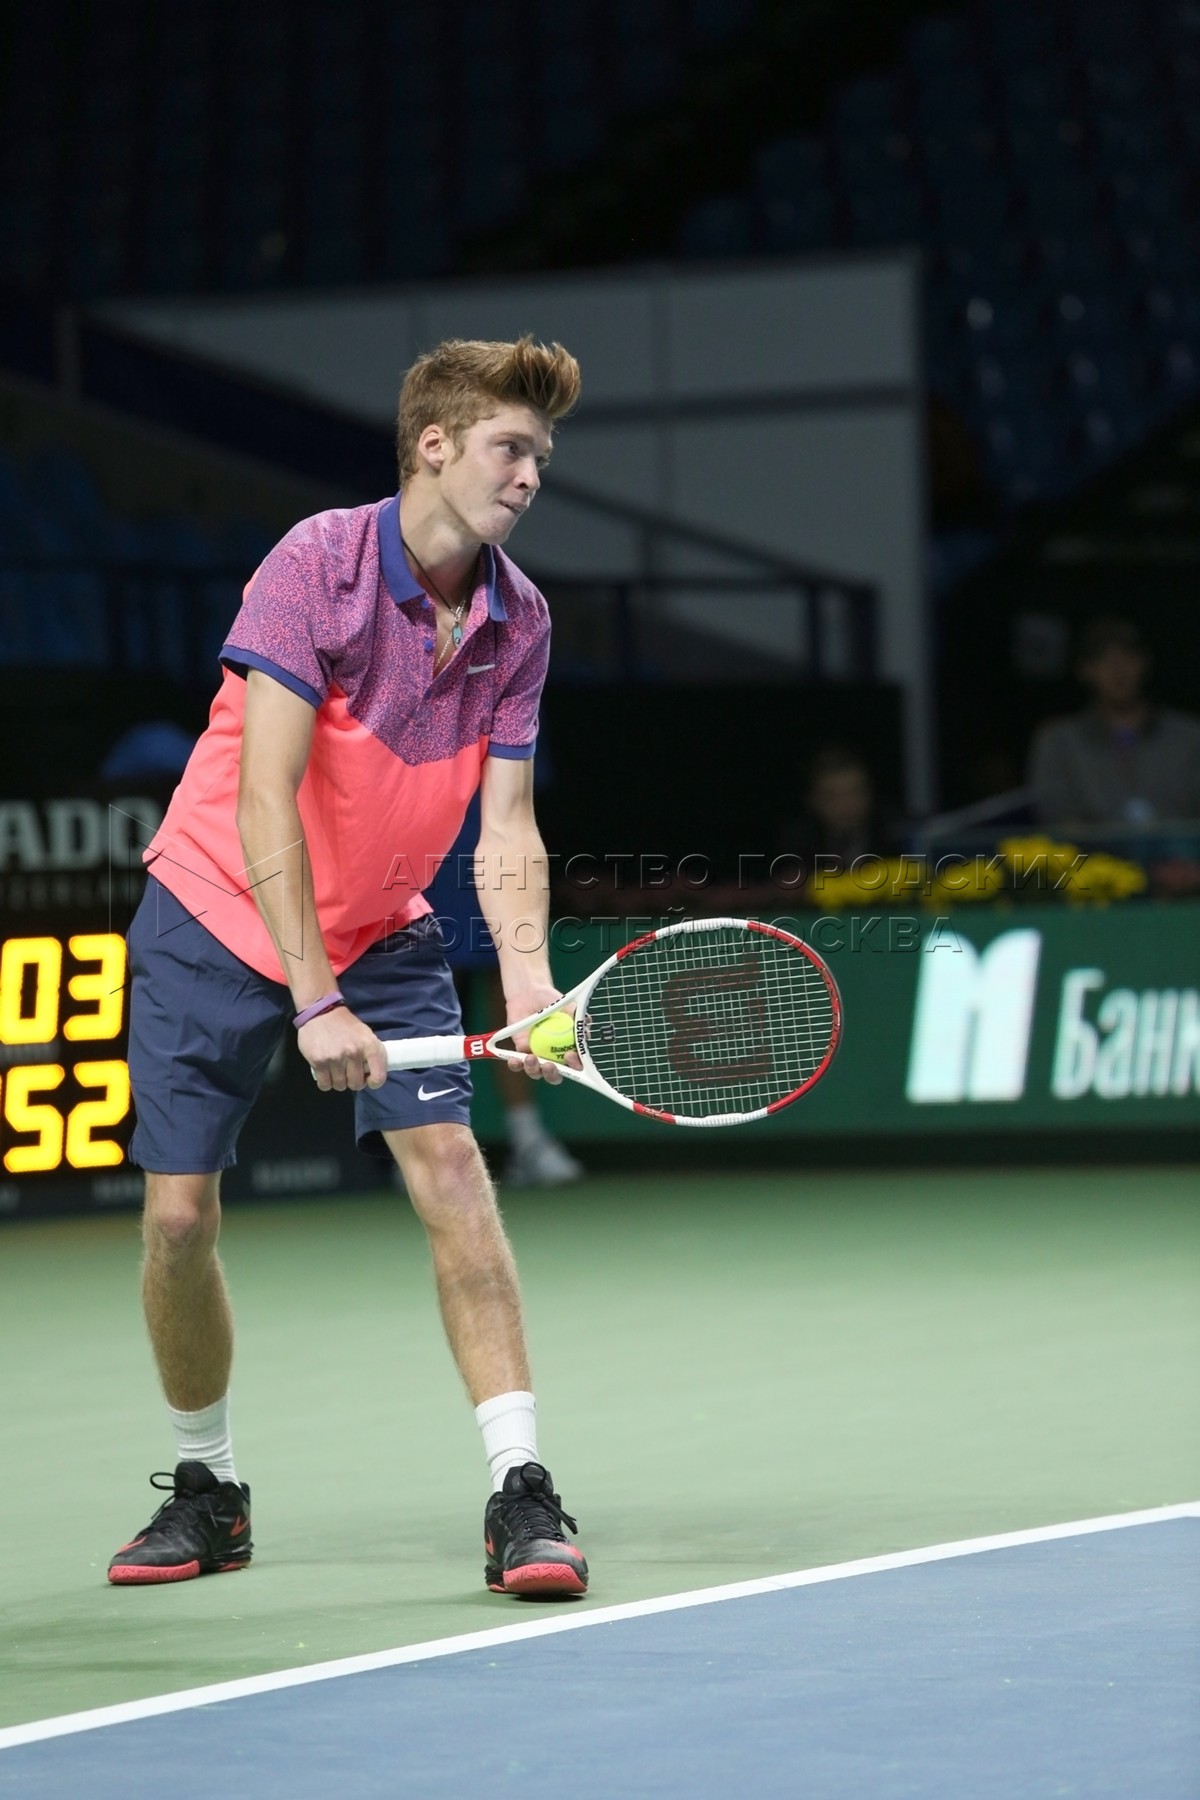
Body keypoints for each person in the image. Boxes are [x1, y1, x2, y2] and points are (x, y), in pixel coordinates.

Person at [108, 335, 590, 1600]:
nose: (531, 476)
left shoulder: (521, 619)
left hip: (382, 924)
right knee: (178, 1217)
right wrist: (312, 998)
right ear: (434, 444)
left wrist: (530, 984)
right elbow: (265, 795)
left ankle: (522, 1488)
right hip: (217, 910)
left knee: (455, 1173)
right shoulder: (317, 565)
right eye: (512, 448)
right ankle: (207, 1488)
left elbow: (507, 827)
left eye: (542, 457)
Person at [424, 786, 585, 1188]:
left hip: (497, 849)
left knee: (510, 988)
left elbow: (520, 799)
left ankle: (526, 1139)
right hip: (424, 852)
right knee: (425, 994)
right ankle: (424, 1145)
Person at [1028, 617, 1200, 827]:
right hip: (1092, 849)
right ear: (1085, 670)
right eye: (1103, 659)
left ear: (1143, 662)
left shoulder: (1190, 737)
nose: (1118, 670)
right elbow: (1057, 816)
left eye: (1127, 657)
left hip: (1181, 847)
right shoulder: (1059, 741)